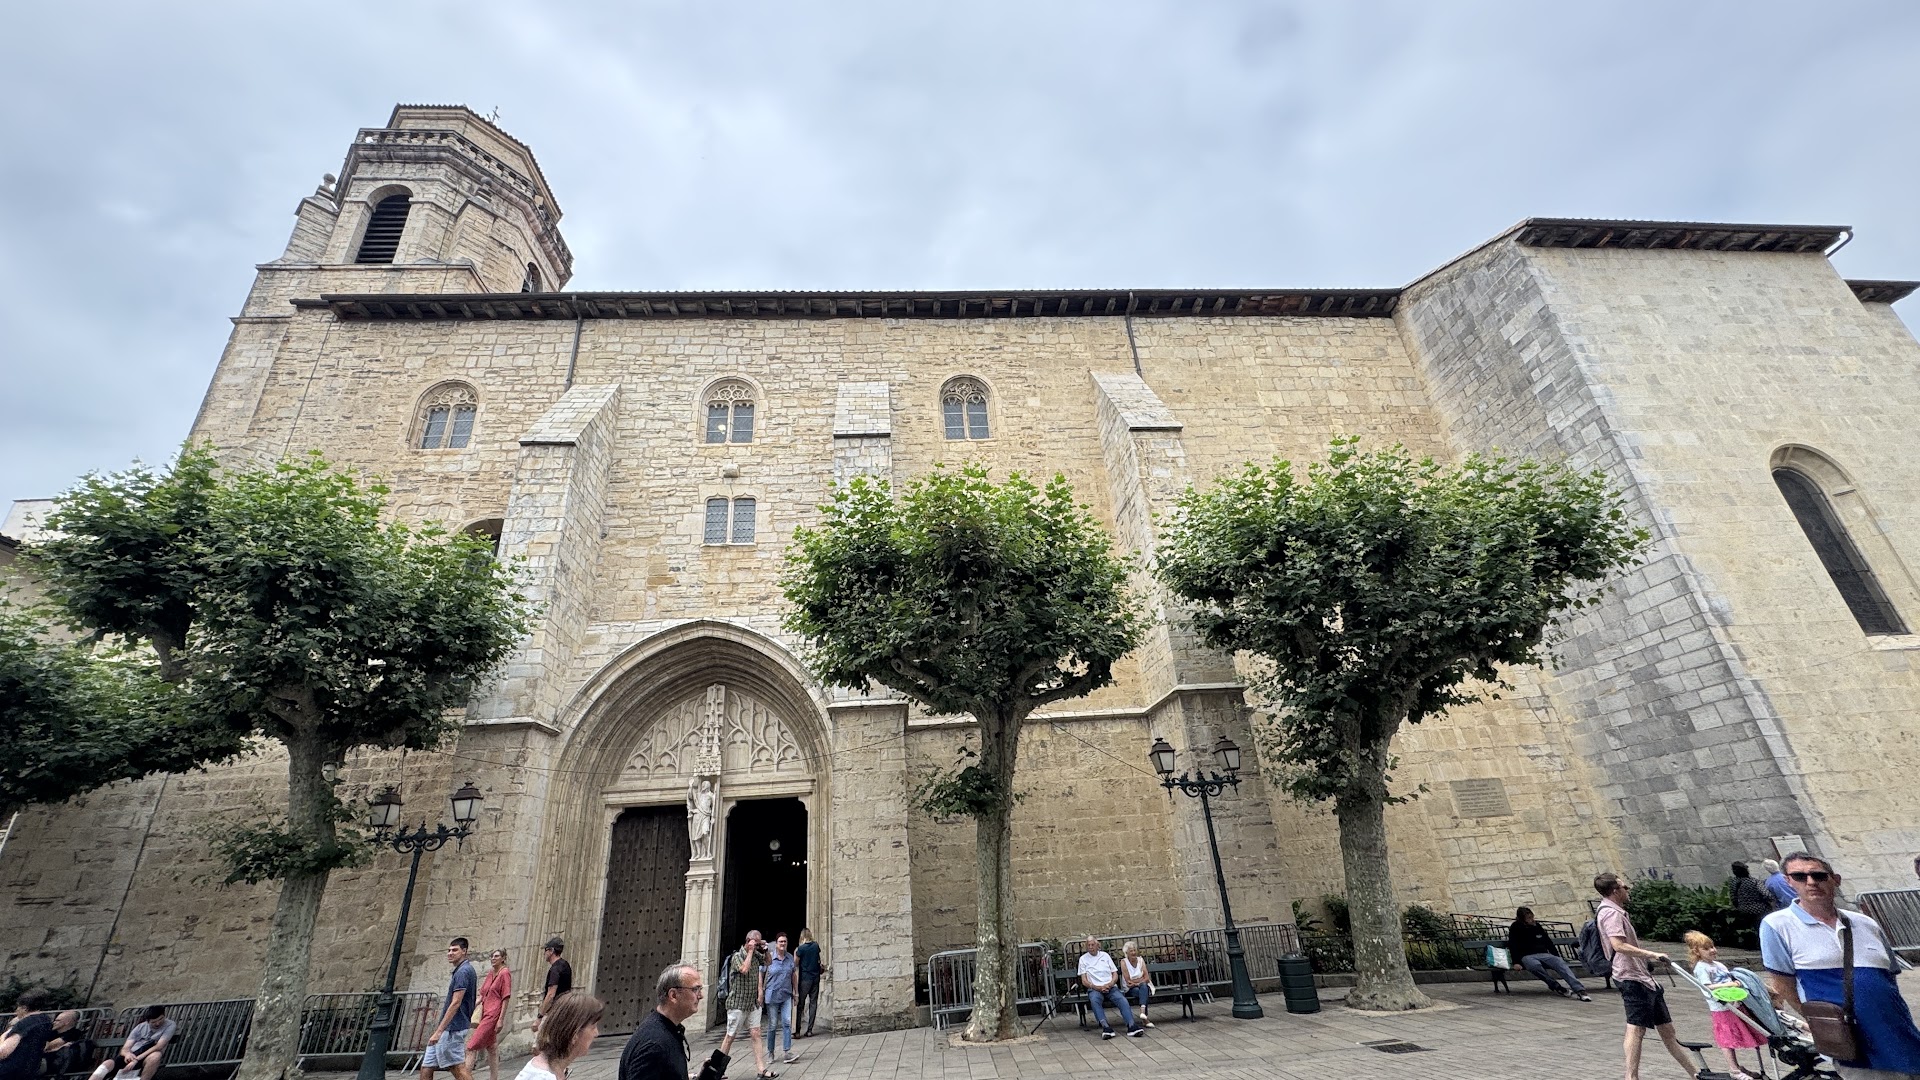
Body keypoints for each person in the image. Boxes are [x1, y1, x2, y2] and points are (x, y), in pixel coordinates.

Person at [1761, 852, 1920, 1078]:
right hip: (1856, 1049)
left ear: (1835, 880)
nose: (1811, 882)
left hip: (1901, 1034)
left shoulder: (1865, 923)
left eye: (1818, 875)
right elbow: (1783, 985)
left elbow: (1889, 978)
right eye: (1800, 876)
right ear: (1788, 881)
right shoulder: (1778, 925)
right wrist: (1822, 1024)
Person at [1595, 872, 1697, 1080]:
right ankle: (1631, 1077)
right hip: (1631, 977)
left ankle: (1695, 1073)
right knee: (1636, 1028)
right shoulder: (1611, 914)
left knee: (1667, 1031)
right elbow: (1618, 945)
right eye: (1624, 887)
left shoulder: (1615, 911)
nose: (1627, 890)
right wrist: (1652, 954)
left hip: (1644, 978)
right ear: (1615, 891)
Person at [1684, 931, 1766, 1080]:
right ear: (1697, 952)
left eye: (1712, 947)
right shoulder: (1701, 968)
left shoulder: (1719, 965)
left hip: (1735, 1004)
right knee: (1727, 1039)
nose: (1712, 950)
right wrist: (1730, 985)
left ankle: (1739, 1067)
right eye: (1707, 948)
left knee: (1746, 1031)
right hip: (1721, 1008)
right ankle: (1734, 1069)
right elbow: (1707, 987)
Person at [620, 966, 708, 1080]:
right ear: (673, 995)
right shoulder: (654, 1044)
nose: (701, 996)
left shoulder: (669, 1029)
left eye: (700, 989)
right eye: (695, 989)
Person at [422, 937, 480, 1080]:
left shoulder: (463, 972)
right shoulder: (462, 970)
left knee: (457, 1067)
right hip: (449, 1027)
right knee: (427, 1065)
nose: (450, 953)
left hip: (453, 1028)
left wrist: (439, 1031)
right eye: (449, 950)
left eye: (454, 950)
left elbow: (456, 1003)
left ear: (464, 951)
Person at [1507, 906, 1592, 1001]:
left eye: (1532, 917)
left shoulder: (1537, 926)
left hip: (1543, 954)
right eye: (1529, 918)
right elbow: (1513, 945)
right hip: (1527, 956)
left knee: (1559, 963)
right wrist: (1516, 962)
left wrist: (1556, 955)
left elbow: (1548, 942)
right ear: (1523, 919)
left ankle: (1579, 990)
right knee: (1534, 966)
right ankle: (1556, 986)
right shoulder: (1515, 927)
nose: (1532, 920)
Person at [515, 991, 603, 1080]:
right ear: (574, 1034)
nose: (596, 1033)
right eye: (593, 1027)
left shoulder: (553, 1069)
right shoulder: (543, 1076)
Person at [719, 931, 772, 1080]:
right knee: (730, 1037)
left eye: (758, 942)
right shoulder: (737, 956)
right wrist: (749, 951)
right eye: (755, 942)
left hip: (752, 1003)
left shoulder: (756, 955)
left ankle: (761, 1070)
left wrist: (766, 949)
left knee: (756, 1033)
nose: (756, 946)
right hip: (737, 1003)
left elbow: (768, 962)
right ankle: (718, 1070)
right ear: (748, 941)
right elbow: (744, 969)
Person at [1076, 936, 1145, 1040]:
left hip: (1110, 987)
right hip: (1095, 988)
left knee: (1122, 1000)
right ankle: (1106, 1027)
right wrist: (1096, 987)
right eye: (1088, 945)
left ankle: (1131, 1026)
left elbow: (1115, 974)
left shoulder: (1105, 955)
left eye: (1092, 945)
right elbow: (1084, 980)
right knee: (1094, 1000)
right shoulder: (1083, 959)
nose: (1090, 947)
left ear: (1097, 945)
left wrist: (1110, 984)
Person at [86, 1005, 173, 1080]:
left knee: (155, 1056)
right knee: (107, 1063)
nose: (158, 1023)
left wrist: (136, 1059)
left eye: (161, 1019)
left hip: (147, 1055)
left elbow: (159, 1046)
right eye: (153, 1022)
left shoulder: (170, 1025)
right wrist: (127, 1054)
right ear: (147, 1021)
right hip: (133, 1054)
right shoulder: (140, 1027)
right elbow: (125, 1048)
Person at [467, 949, 513, 1080]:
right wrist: (470, 1008)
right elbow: (482, 994)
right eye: (492, 956)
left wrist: (501, 1019)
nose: (493, 958)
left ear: (503, 958)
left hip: (493, 1014)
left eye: (496, 956)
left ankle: (464, 1077)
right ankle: (494, 1078)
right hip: (485, 1011)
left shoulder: (505, 973)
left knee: (471, 1047)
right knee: (492, 1047)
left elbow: (505, 997)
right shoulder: (491, 973)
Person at [0, 991, 56, 1080]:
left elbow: (4, 1052)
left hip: (10, 1070)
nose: (16, 1011)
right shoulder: (46, 1021)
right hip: (31, 1068)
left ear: (25, 1008)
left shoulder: (24, 1024)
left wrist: (3, 1039)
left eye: (18, 1007)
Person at [762, 933, 799, 1067]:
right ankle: (770, 1052)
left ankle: (787, 1052)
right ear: (776, 944)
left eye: (785, 941)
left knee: (787, 1022)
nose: (783, 944)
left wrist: (796, 993)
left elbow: (793, 975)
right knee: (772, 1025)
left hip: (786, 994)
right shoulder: (769, 957)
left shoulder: (789, 958)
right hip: (772, 995)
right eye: (780, 942)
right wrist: (760, 991)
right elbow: (761, 973)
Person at [537, 939, 573, 1032]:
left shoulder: (555, 969)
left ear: (551, 951)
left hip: (554, 1011)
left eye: (546, 950)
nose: (544, 953)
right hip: (564, 1009)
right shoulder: (565, 965)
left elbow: (551, 994)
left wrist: (540, 1016)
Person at [795, 929, 825, 1038]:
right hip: (815, 977)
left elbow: (795, 963)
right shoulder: (816, 946)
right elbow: (819, 960)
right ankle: (809, 1030)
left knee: (800, 1004)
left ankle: (797, 1030)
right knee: (813, 1003)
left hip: (805, 979)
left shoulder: (801, 949)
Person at [1119, 941, 1153, 1028]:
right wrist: (1140, 981)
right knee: (1143, 991)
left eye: (1134, 950)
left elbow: (1146, 978)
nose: (1133, 952)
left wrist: (1137, 982)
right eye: (1131, 951)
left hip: (1142, 986)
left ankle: (1142, 1011)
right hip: (1130, 989)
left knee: (1144, 987)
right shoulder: (1123, 962)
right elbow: (1128, 981)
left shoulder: (1140, 960)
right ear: (1127, 953)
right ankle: (1144, 1018)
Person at [43, 1011, 86, 1078]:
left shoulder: (74, 1034)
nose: (54, 1022)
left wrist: (48, 1048)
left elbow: (48, 1046)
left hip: (55, 1063)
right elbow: (42, 1047)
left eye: (57, 1020)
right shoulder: (51, 1032)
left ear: (67, 1022)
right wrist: (57, 1048)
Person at [1730, 862, 1772, 928]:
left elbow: (1733, 899)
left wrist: (1740, 906)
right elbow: (1767, 894)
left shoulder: (1734, 883)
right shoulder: (1754, 881)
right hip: (1760, 909)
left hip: (1744, 911)